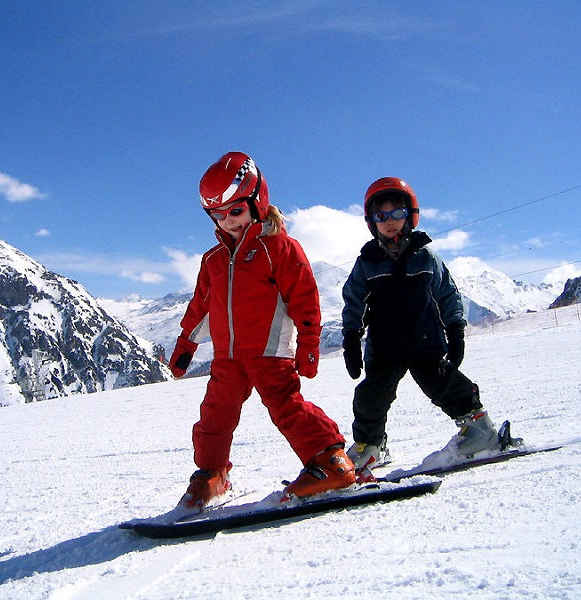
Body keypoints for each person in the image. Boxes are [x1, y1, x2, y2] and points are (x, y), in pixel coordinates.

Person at [168, 151, 355, 509]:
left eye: (235, 211)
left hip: (270, 353)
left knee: (286, 405)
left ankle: (330, 461)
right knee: (214, 416)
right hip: (227, 358)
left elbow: (304, 297)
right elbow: (200, 306)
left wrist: (309, 343)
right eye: (218, 216)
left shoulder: (280, 249)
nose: (228, 222)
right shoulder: (213, 260)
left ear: (258, 201)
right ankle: (212, 473)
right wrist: (184, 346)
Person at [341, 177, 498, 481]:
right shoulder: (367, 262)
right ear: (371, 221)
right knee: (370, 397)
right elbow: (353, 300)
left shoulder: (425, 256)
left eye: (396, 214)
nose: (389, 222)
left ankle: (480, 429)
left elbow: (447, 292)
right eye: (380, 216)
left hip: (424, 340)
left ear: (409, 216)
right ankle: (370, 445)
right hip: (384, 347)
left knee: (444, 383)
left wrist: (455, 328)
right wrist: (351, 337)